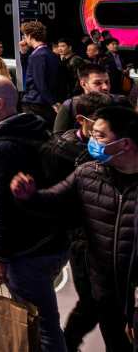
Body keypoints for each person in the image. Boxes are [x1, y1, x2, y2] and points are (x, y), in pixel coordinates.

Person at [10, 105, 138, 351]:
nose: (92, 141)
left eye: (100, 136)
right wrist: (29, 196)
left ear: (125, 143)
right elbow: (54, 200)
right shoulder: (88, 173)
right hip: (104, 287)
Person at [0, 75, 69, 352]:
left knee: (41, 324)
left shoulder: (1, 146)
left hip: (25, 251)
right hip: (51, 242)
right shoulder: (36, 129)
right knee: (43, 319)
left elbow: (1, 205)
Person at [41, 92, 113, 351]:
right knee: (95, 302)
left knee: (110, 304)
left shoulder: (114, 148)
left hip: (110, 236)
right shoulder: (60, 150)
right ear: (82, 120)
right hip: (81, 237)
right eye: (98, 122)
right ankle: (69, 342)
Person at [52, 61, 126, 131]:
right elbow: (58, 135)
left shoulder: (120, 102)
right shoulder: (70, 105)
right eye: (98, 83)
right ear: (83, 84)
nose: (105, 87)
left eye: (107, 82)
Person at [19, 19, 58, 126]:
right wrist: (24, 53)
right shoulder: (49, 53)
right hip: (43, 101)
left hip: (36, 103)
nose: (24, 39)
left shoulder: (38, 55)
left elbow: (39, 82)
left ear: (30, 36)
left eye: (25, 36)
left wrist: (53, 103)